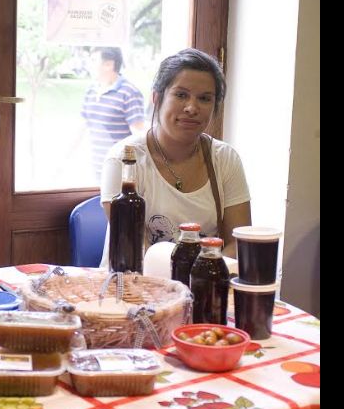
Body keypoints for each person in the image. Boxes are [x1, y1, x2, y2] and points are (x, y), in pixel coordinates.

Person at [100, 48, 251, 261]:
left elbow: (238, 243)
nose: (192, 107)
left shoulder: (225, 159)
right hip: (136, 286)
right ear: (156, 98)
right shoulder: (125, 160)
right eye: (181, 95)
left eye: (205, 98)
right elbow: (135, 249)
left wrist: (201, 280)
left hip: (204, 288)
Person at [81, 47, 145, 179]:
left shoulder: (129, 92)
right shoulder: (90, 91)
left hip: (120, 172)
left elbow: (139, 137)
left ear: (109, 64)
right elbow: (81, 128)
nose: (88, 64)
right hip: (97, 169)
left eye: (93, 60)